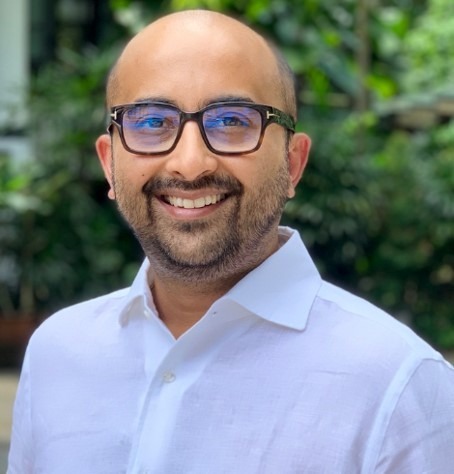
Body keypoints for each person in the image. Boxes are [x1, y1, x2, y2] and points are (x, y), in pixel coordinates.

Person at [8, 9, 454, 473]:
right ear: (109, 164)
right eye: (152, 122)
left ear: (293, 163)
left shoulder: (397, 388)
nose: (190, 164)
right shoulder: (57, 354)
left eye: (232, 120)